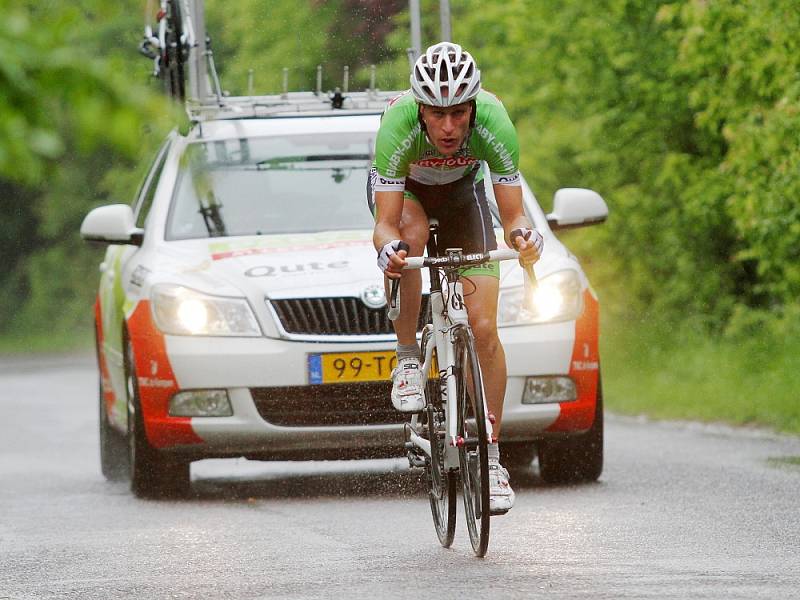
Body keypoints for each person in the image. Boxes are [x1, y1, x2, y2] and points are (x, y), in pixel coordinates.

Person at [367, 42, 543, 514]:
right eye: (437, 114)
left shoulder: (495, 123)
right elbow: (384, 223)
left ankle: (492, 457)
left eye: (459, 113)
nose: (449, 127)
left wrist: (525, 238)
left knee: (484, 329)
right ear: (420, 109)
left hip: (465, 198)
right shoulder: (397, 126)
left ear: (473, 107)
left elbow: (512, 216)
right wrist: (388, 251)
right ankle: (407, 358)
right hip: (408, 200)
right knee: (412, 236)